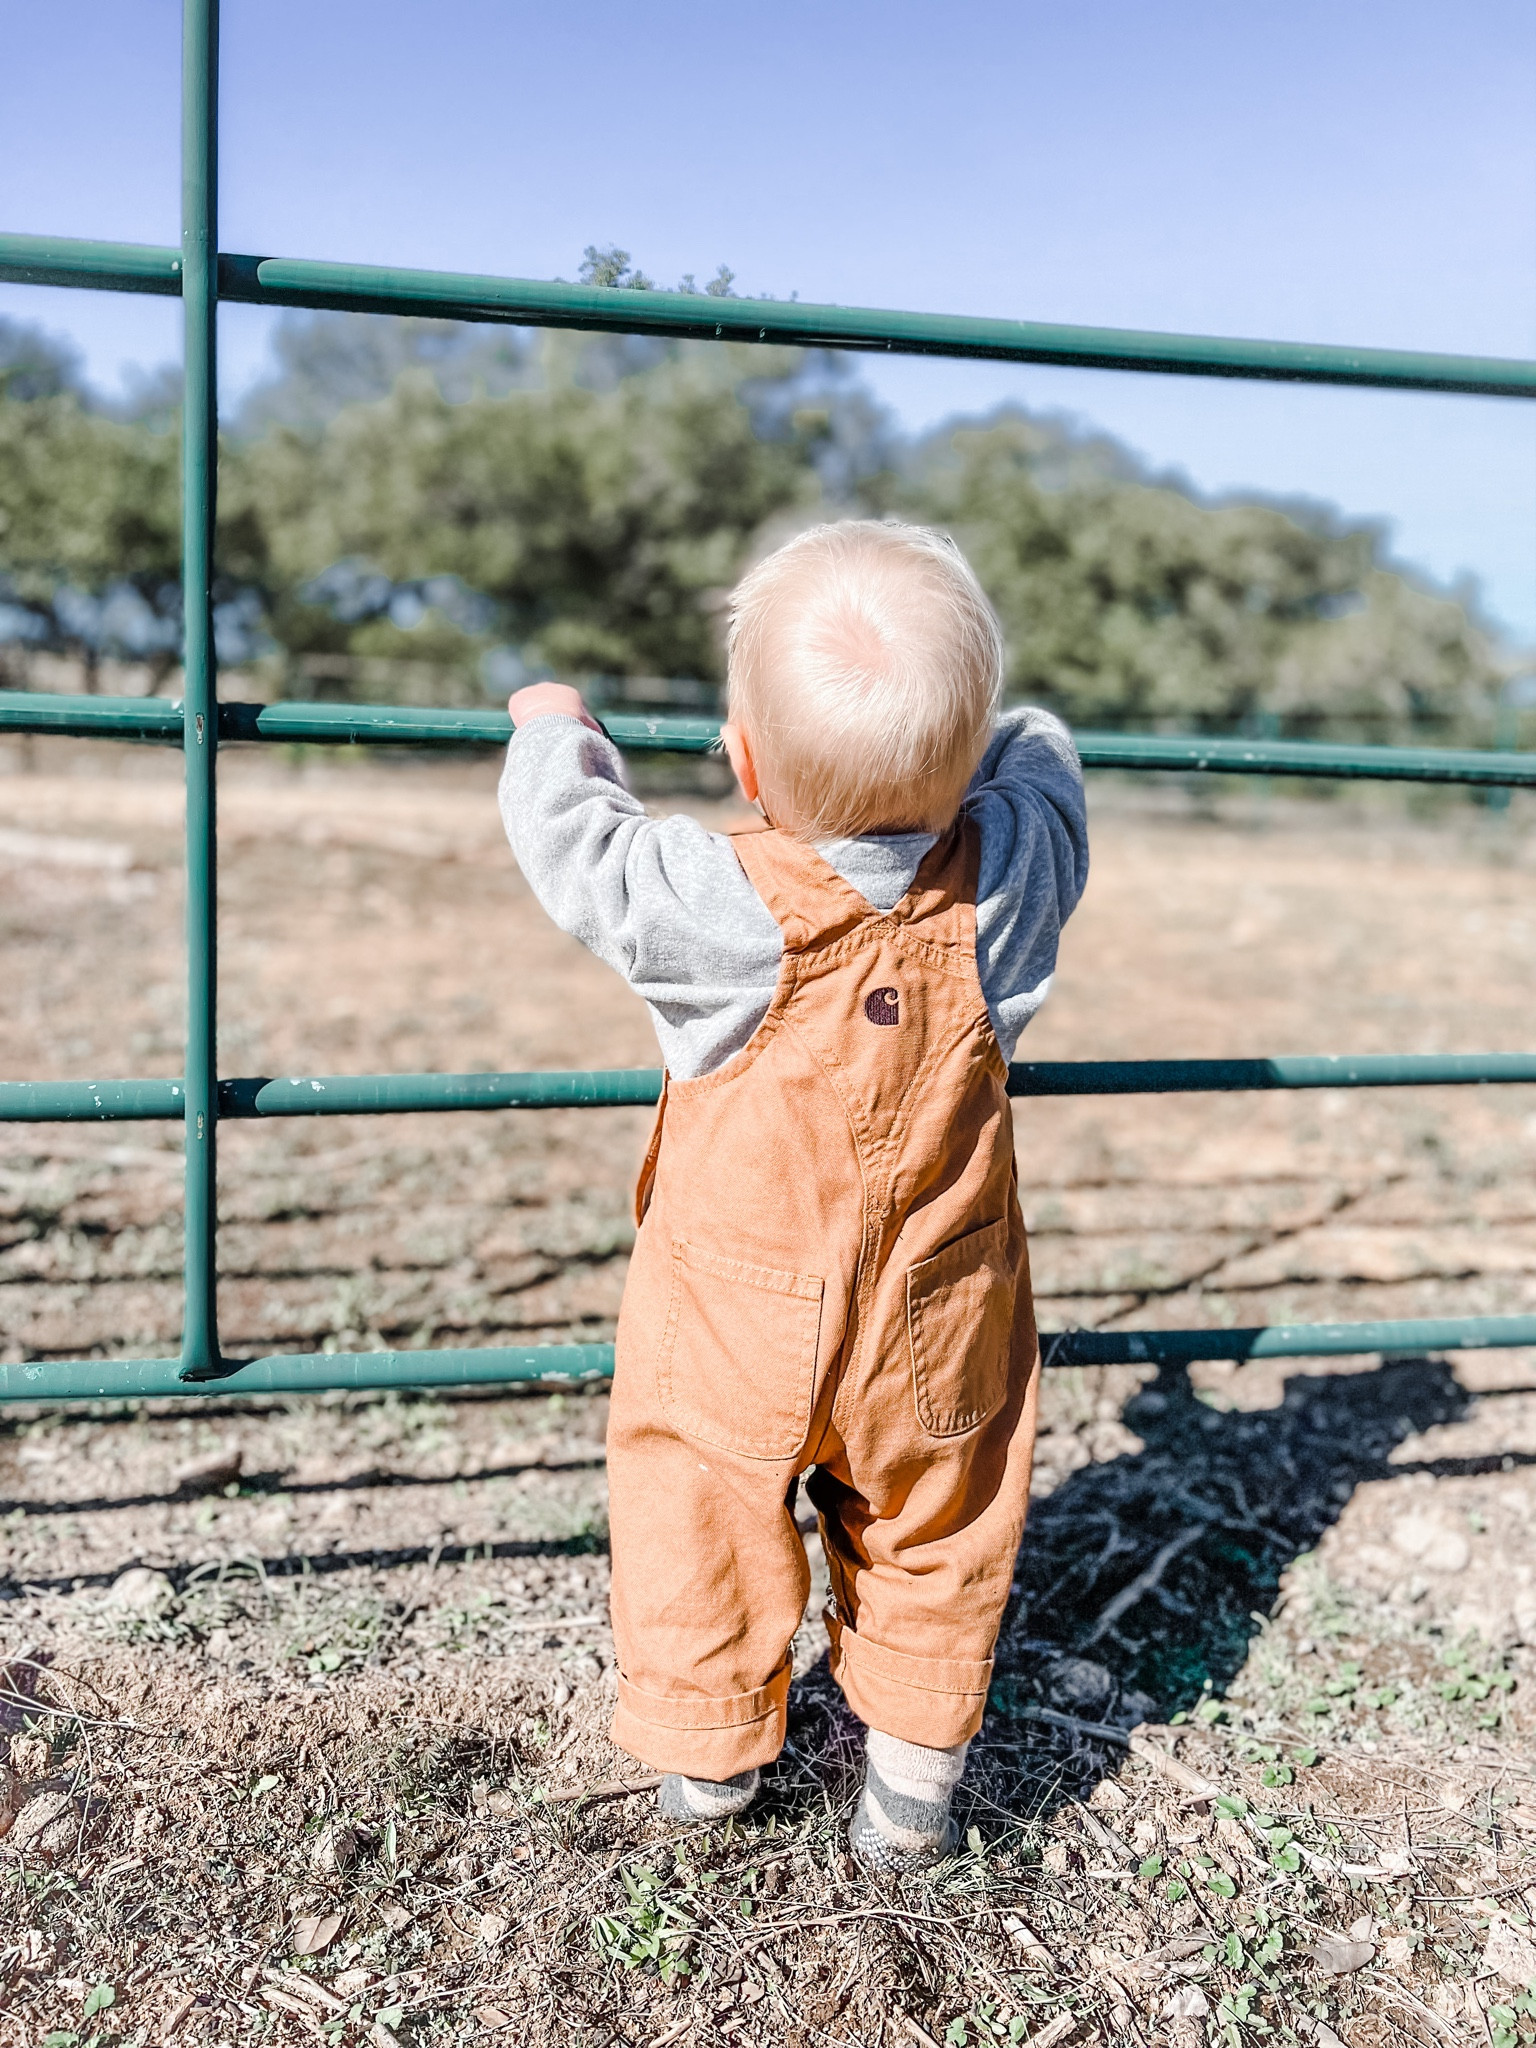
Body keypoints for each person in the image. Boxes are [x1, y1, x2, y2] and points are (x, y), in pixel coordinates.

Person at [499, 519, 1088, 1871]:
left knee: (698, 1510)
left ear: (744, 760)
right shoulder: (1010, 879)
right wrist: (1004, 734)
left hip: (732, 1314)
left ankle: (711, 1766)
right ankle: (913, 1793)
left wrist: (553, 728)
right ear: (966, 768)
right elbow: (1046, 770)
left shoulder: (710, 899)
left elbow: (579, 849)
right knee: (942, 1521)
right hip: (941, 1312)